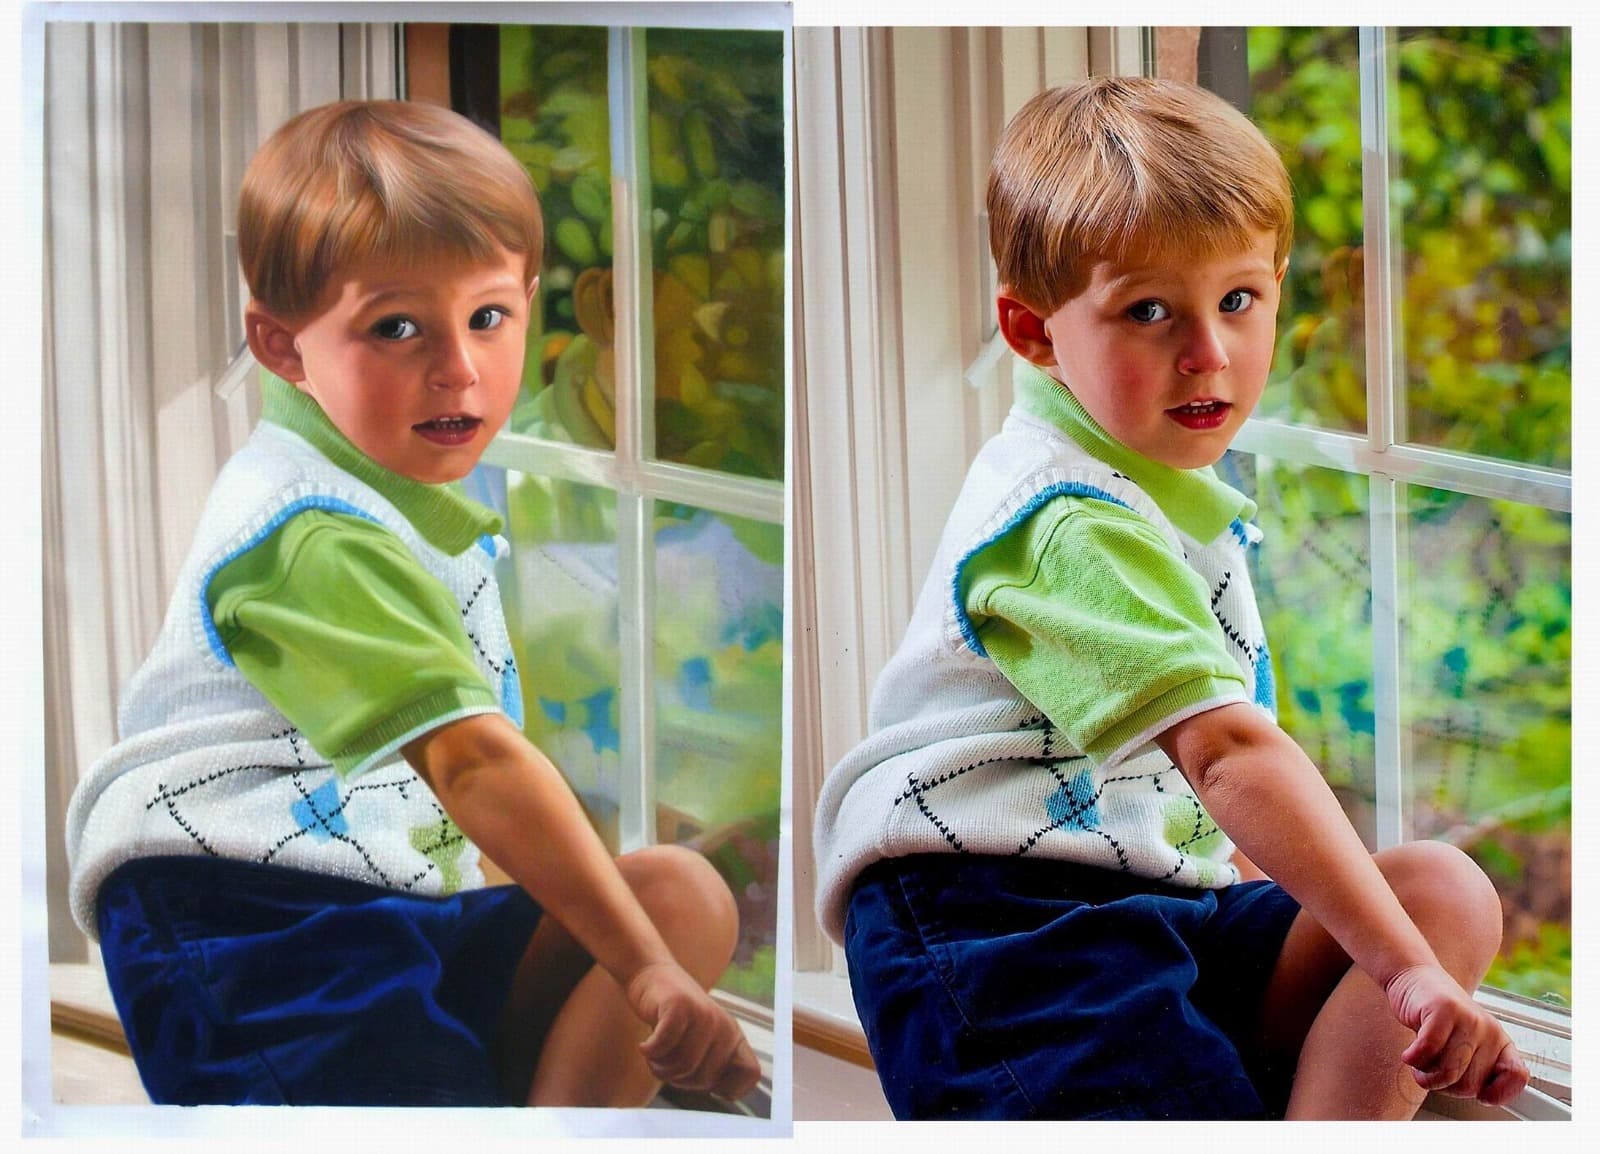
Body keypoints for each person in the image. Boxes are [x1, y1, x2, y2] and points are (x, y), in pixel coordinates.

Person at [811, 77, 1529, 1121]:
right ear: (1032, 330)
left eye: (1238, 300)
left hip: (1147, 902)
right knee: (1377, 964)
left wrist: (1384, 945)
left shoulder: (1159, 482)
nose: (1209, 353)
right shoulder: (1065, 519)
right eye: (1149, 311)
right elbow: (1225, 753)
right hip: (998, 923)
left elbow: (1179, 786)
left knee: (1439, 891)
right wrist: (1405, 974)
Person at [65, 99, 760, 1109]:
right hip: (245, 923)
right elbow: (472, 762)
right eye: (397, 327)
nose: (458, 368)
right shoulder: (308, 533)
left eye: (489, 316)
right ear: (281, 345)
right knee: (614, 966)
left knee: (680, 896)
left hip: (385, 903)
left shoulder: (397, 492)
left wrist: (641, 951)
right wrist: (642, 970)